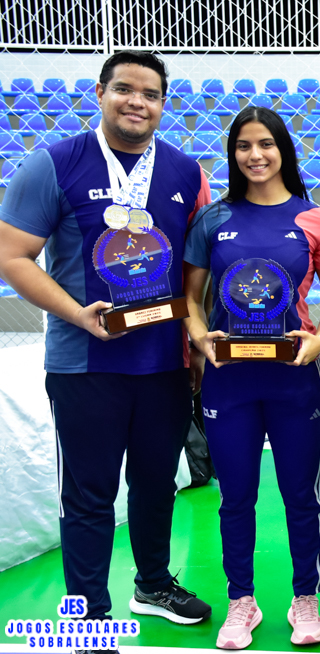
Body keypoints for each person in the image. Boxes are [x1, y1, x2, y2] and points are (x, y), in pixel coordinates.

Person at [0, 51, 212, 634]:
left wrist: (196, 348)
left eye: (150, 93)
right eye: (124, 89)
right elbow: (12, 256)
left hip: (164, 364)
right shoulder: (54, 163)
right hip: (84, 363)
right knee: (89, 496)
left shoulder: (185, 172)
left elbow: (198, 269)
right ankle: (87, 616)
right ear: (100, 92)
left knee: (157, 485)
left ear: (163, 104)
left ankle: (153, 585)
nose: (136, 102)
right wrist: (76, 313)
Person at [182, 106, 320, 649]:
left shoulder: (317, 221)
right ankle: (241, 602)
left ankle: (305, 599)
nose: (255, 155)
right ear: (233, 154)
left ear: (283, 151)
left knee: (301, 495)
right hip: (229, 380)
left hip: (292, 379)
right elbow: (190, 298)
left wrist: (318, 340)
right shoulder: (212, 219)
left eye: (266, 144)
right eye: (244, 145)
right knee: (235, 497)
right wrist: (201, 337)